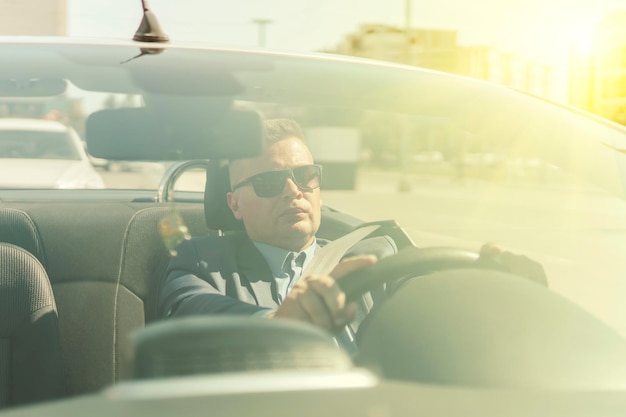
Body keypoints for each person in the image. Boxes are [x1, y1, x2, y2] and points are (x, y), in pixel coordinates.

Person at [158, 118, 547, 337]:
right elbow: (194, 322)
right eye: (268, 182)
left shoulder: (377, 256)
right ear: (234, 204)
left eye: (305, 175)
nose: (294, 190)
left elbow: (437, 312)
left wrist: (501, 292)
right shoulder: (200, 263)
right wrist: (282, 325)